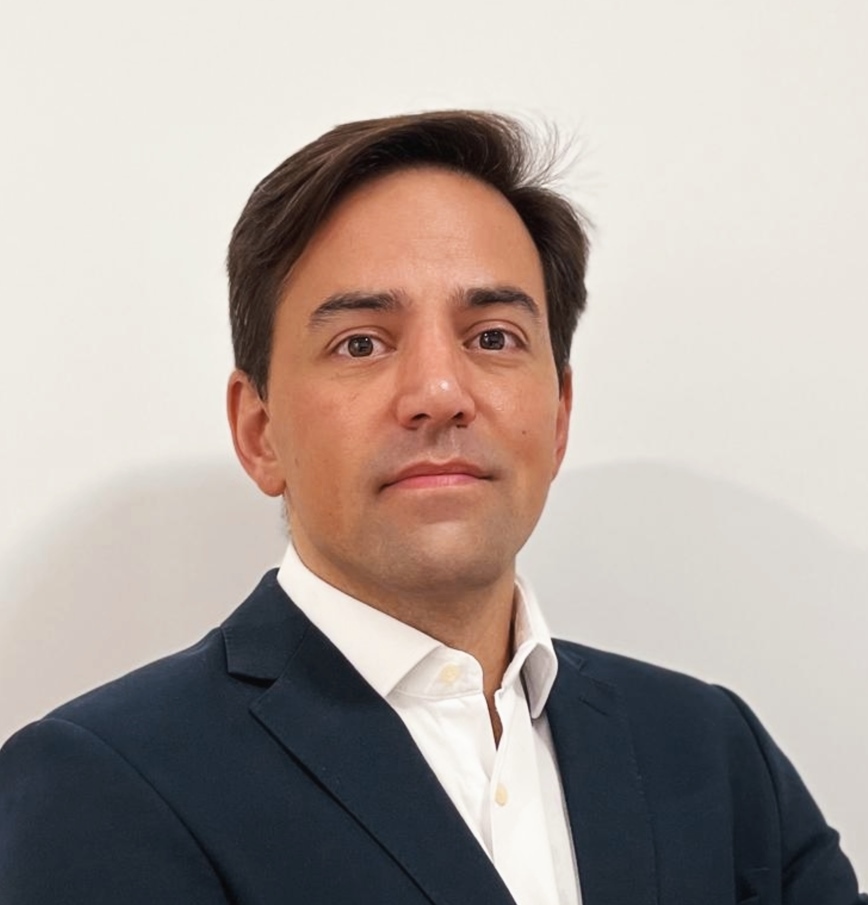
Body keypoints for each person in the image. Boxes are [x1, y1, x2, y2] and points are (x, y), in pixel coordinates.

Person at [0, 111, 863, 905]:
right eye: (361, 343)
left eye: (492, 337)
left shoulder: (711, 752)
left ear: (559, 416)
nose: (440, 393)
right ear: (260, 432)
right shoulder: (99, 785)